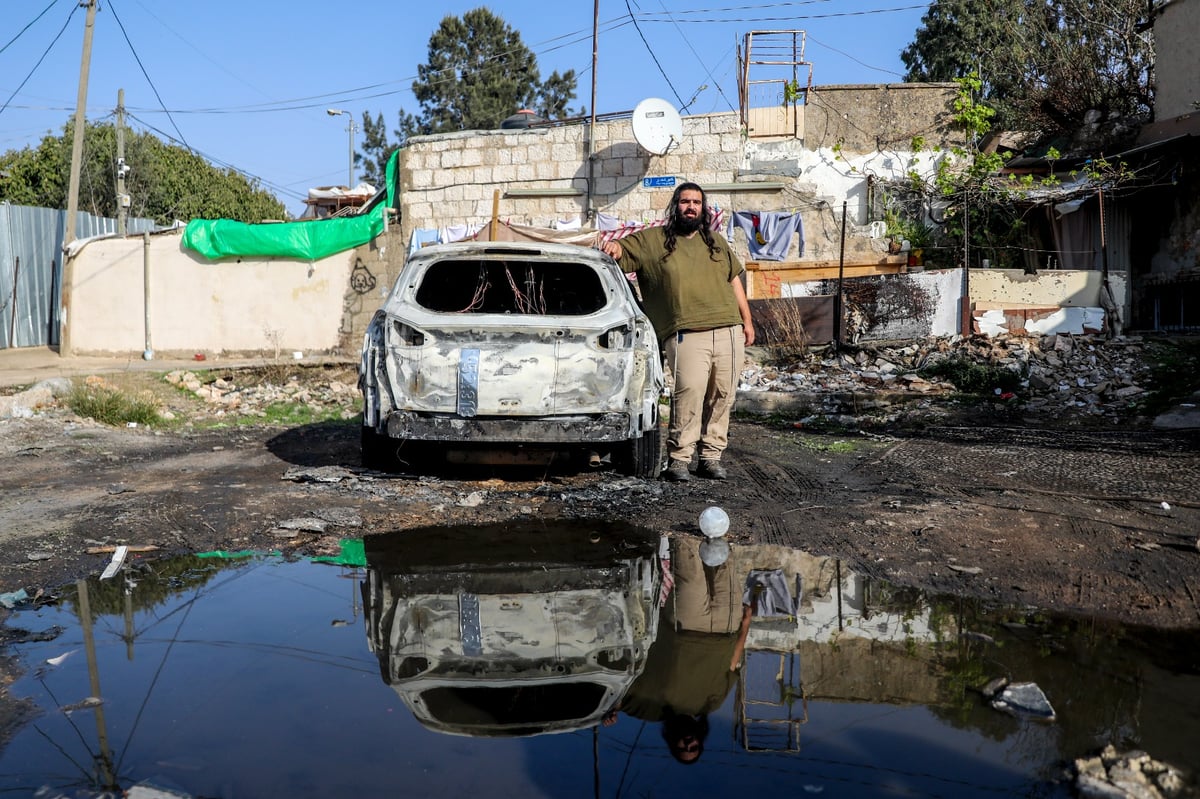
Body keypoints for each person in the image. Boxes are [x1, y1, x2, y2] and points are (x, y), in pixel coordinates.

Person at [602, 183, 755, 482]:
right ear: (675, 206)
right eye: (685, 201)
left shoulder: (715, 242)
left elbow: (735, 279)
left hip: (729, 329)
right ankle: (680, 460)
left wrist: (747, 322)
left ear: (703, 207)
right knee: (689, 394)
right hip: (686, 332)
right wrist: (615, 248)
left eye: (696, 202)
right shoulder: (653, 240)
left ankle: (710, 457)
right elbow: (623, 250)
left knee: (723, 396)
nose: (691, 207)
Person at [601, 536, 753, 764]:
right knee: (723, 558)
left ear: (672, 743)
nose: (689, 742)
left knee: (689, 565)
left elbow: (615, 698)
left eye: (684, 747)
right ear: (701, 740)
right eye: (694, 747)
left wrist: (609, 715)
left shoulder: (650, 709)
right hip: (726, 626)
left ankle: (686, 516)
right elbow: (733, 663)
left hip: (686, 625)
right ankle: (717, 512)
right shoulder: (711, 704)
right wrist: (745, 626)